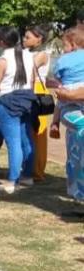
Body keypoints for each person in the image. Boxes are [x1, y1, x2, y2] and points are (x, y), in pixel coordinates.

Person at [0, 27, 35, 193]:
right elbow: (32, 80)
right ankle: (27, 175)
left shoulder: (2, 60)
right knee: (26, 140)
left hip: (7, 100)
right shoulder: (28, 56)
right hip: (26, 97)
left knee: (13, 142)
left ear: (1, 41)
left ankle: (13, 180)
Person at [47, 27, 84, 201]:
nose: (63, 48)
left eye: (64, 44)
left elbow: (61, 97)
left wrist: (55, 121)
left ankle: (78, 194)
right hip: (75, 113)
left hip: (71, 112)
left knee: (75, 158)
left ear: (73, 44)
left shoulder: (64, 61)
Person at [25, 25, 52, 183]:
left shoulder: (41, 54)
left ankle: (37, 170)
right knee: (28, 131)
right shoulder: (27, 53)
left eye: (28, 37)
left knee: (39, 133)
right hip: (30, 90)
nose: (24, 40)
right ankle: (29, 166)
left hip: (37, 91)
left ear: (39, 38)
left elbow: (30, 69)